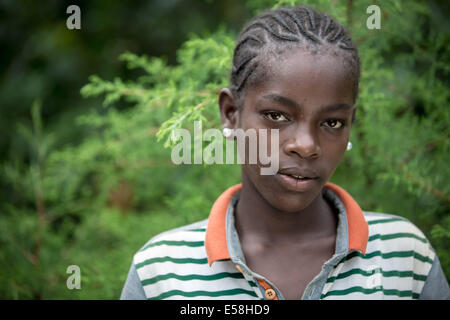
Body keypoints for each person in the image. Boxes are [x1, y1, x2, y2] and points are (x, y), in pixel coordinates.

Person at [120, 5, 449, 300]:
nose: (305, 145)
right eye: (277, 116)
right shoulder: (160, 273)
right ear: (231, 114)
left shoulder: (404, 257)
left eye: (332, 122)